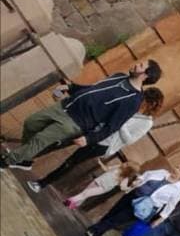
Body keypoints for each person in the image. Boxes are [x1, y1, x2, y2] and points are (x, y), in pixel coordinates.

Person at [0, 59, 162, 171]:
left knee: (41, 139)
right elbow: (92, 89)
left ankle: (7, 161)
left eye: (141, 65)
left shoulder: (133, 100)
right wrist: (70, 87)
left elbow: (113, 126)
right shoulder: (119, 76)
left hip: (76, 123)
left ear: (146, 74)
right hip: (65, 106)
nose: (136, 65)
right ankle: (25, 158)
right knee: (31, 123)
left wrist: (89, 139)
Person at [26, 87, 164, 194]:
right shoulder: (132, 106)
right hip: (93, 129)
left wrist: (121, 123)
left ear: (151, 104)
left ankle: (42, 183)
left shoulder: (147, 123)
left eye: (144, 100)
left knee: (71, 162)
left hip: (103, 143)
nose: (140, 102)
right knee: (58, 141)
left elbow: (129, 140)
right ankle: (26, 159)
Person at [84, 161, 180, 236]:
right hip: (133, 195)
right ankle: (97, 231)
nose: (175, 169)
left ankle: (94, 230)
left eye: (179, 169)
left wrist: (159, 219)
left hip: (143, 206)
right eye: (176, 166)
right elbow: (146, 175)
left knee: (117, 219)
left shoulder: (179, 190)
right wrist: (138, 180)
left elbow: (170, 206)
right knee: (113, 212)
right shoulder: (162, 172)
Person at [62, 161, 142, 210]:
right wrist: (100, 163)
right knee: (85, 192)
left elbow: (123, 188)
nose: (124, 163)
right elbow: (107, 169)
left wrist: (132, 186)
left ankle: (70, 201)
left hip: (103, 188)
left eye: (127, 164)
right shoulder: (118, 166)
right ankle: (75, 204)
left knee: (86, 194)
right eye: (126, 162)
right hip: (98, 181)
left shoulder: (124, 178)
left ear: (128, 170)